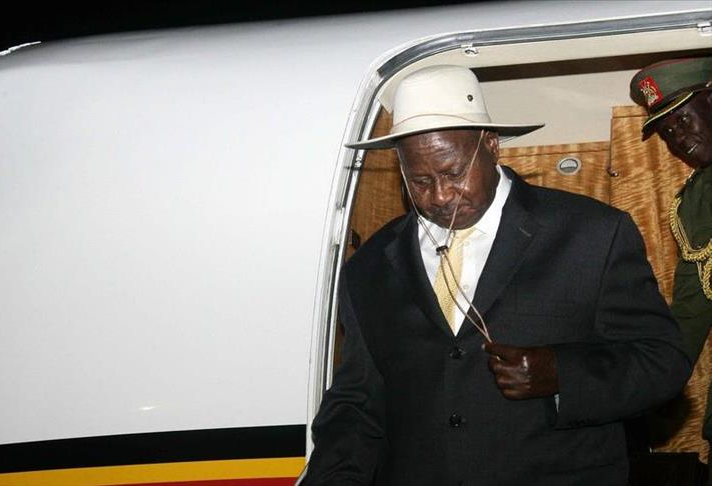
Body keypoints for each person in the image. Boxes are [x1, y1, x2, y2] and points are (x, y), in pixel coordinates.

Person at [301, 65, 691, 485]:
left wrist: (562, 374)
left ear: (491, 147)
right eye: (419, 180)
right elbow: (356, 401)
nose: (439, 195)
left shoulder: (591, 233)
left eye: (453, 173)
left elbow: (663, 362)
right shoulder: (371, 265)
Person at [630, 57, 712, 474]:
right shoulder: (694, 203)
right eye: (666, 133)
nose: (678, 137)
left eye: (682, 118)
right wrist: (650, 386)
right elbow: (690, 311)